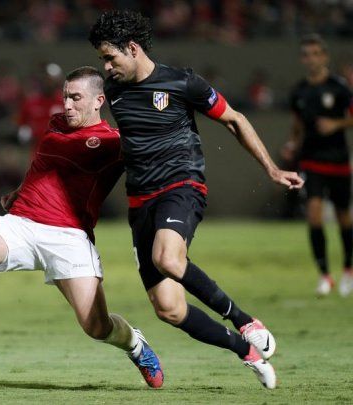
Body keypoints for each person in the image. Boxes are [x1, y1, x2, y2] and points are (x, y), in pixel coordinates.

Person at [89, 10, 304, 390]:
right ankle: (244, 350)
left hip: (181, 186)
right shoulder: (115, 92)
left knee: (167, 258)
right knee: (168, 309)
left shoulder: (182, 82)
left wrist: (271, 169)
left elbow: (235, 120)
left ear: (133, 49)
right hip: (140, 202)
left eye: (111, 57)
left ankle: (244, 320)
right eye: (103, 59)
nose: (106, 66)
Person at [0, 66, 164, 388]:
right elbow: (46, 165)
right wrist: (21, 191)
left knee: (96, 327)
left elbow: (155, 159)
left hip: (69, 237)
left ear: (98, 100)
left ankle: (135, 344)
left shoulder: (113, 143)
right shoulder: (57, 125)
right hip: (20, 225)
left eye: (76, 98)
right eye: (65, 97)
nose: (68, 105)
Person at [283, 34, 353, 297]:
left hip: (338, 161)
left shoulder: (339, 87)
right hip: (311, 161)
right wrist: (292, 142)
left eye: (315, 53)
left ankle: (348, 269)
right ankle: (325, 275)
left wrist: (336, 124)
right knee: (313, 213)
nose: (311, 58)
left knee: (344, 217)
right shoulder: (299, 92)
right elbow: (298, 125)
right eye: (306, 54)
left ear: (325, 56)